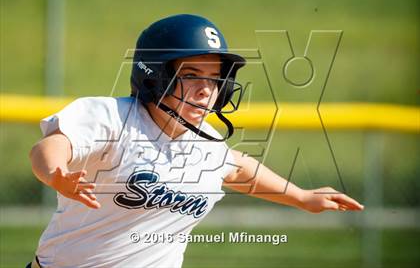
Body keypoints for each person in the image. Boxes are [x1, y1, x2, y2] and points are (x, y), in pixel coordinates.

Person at [28, 14, 364, 268]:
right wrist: (56, 173)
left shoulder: (208, 146)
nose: (206, 89)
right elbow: (51, 147)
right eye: (190, 76)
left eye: (214, 78)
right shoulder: (113, 117)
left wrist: (302, 197)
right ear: (155, 76)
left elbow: (239, 170)